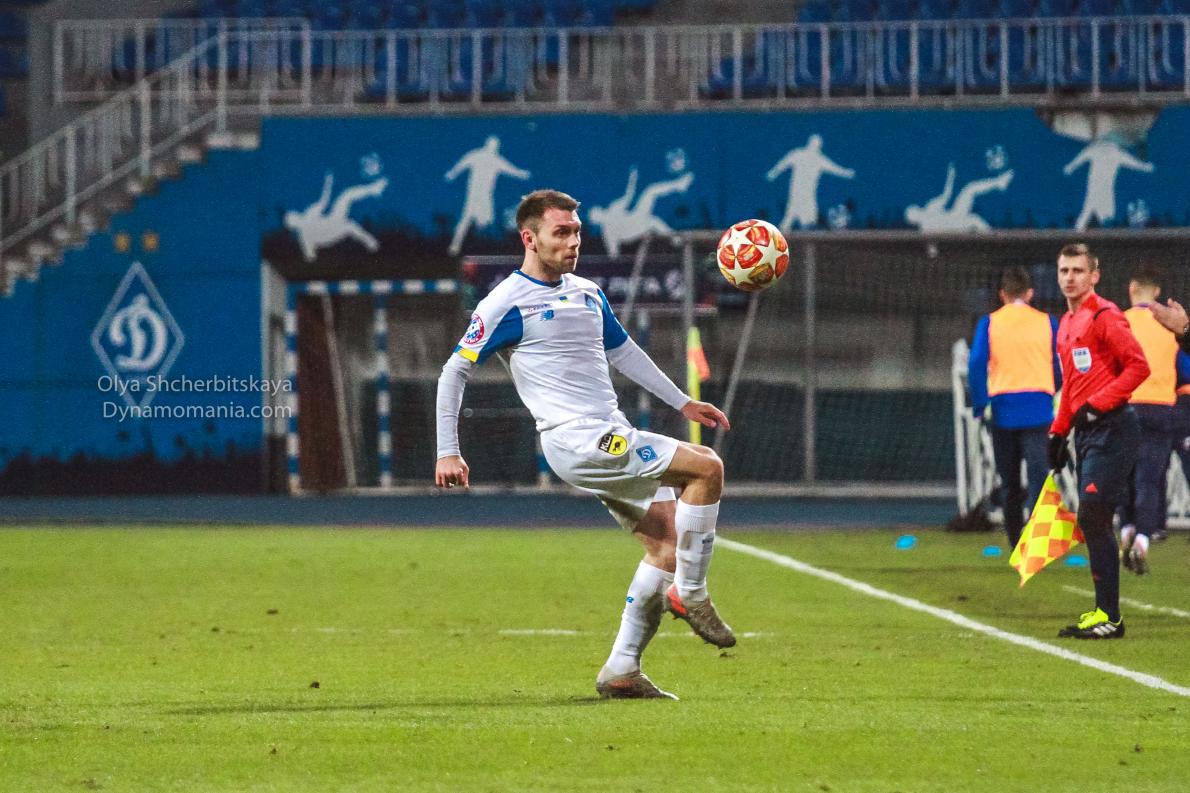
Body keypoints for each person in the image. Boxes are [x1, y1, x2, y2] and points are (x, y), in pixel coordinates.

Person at [435, 189, 735, 700]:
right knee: (707, 467)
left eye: (576, 231)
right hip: (577, 438)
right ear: (529, 239)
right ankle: (692, 592)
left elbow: (624, 352)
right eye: (561, 232)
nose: (573, 241)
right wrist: (448, 449)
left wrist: (683, 402)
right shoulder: (506, 301)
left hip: (606, 431)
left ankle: (622, 670)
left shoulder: (588, 293)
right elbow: (453, 371)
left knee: (667, 545)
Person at [1047, 243, 1149, 639]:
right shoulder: (1065, 325)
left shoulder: (1106, 316)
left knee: (1092, 516)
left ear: (1095, 276)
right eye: (1064, 270)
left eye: (1078, 270)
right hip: (1088, 431)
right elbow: (1071, 386)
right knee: (1092, 518)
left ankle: (1110, 617)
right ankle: (1104, 613)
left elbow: (1139, 367)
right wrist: (1058, 431)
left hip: (1115, 427)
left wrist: (1097, 404)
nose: (1070, 277)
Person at [967, 266, 1060, 549]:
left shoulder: (989, 323)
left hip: (1003, 410)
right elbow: (1060, 364)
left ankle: (1015, 539)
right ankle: (1038, 541)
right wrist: (1052, 388)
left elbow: (976, 363)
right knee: (1038, 476)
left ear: (1002, 295)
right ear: (1030, 294)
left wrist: (980, 404)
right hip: (1038, 409)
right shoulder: (1048, 322)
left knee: (1009, 481)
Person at [1118, 267, 1189, 573]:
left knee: (1123, 475)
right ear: (1157, 292)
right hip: (1161, 408)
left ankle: (1125, 529)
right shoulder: (1170, 325)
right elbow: (1184, 368)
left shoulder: (1119, 321)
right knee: (1149, 479)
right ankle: (1143, 539)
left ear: (1131, 288)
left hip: (1124, 407)